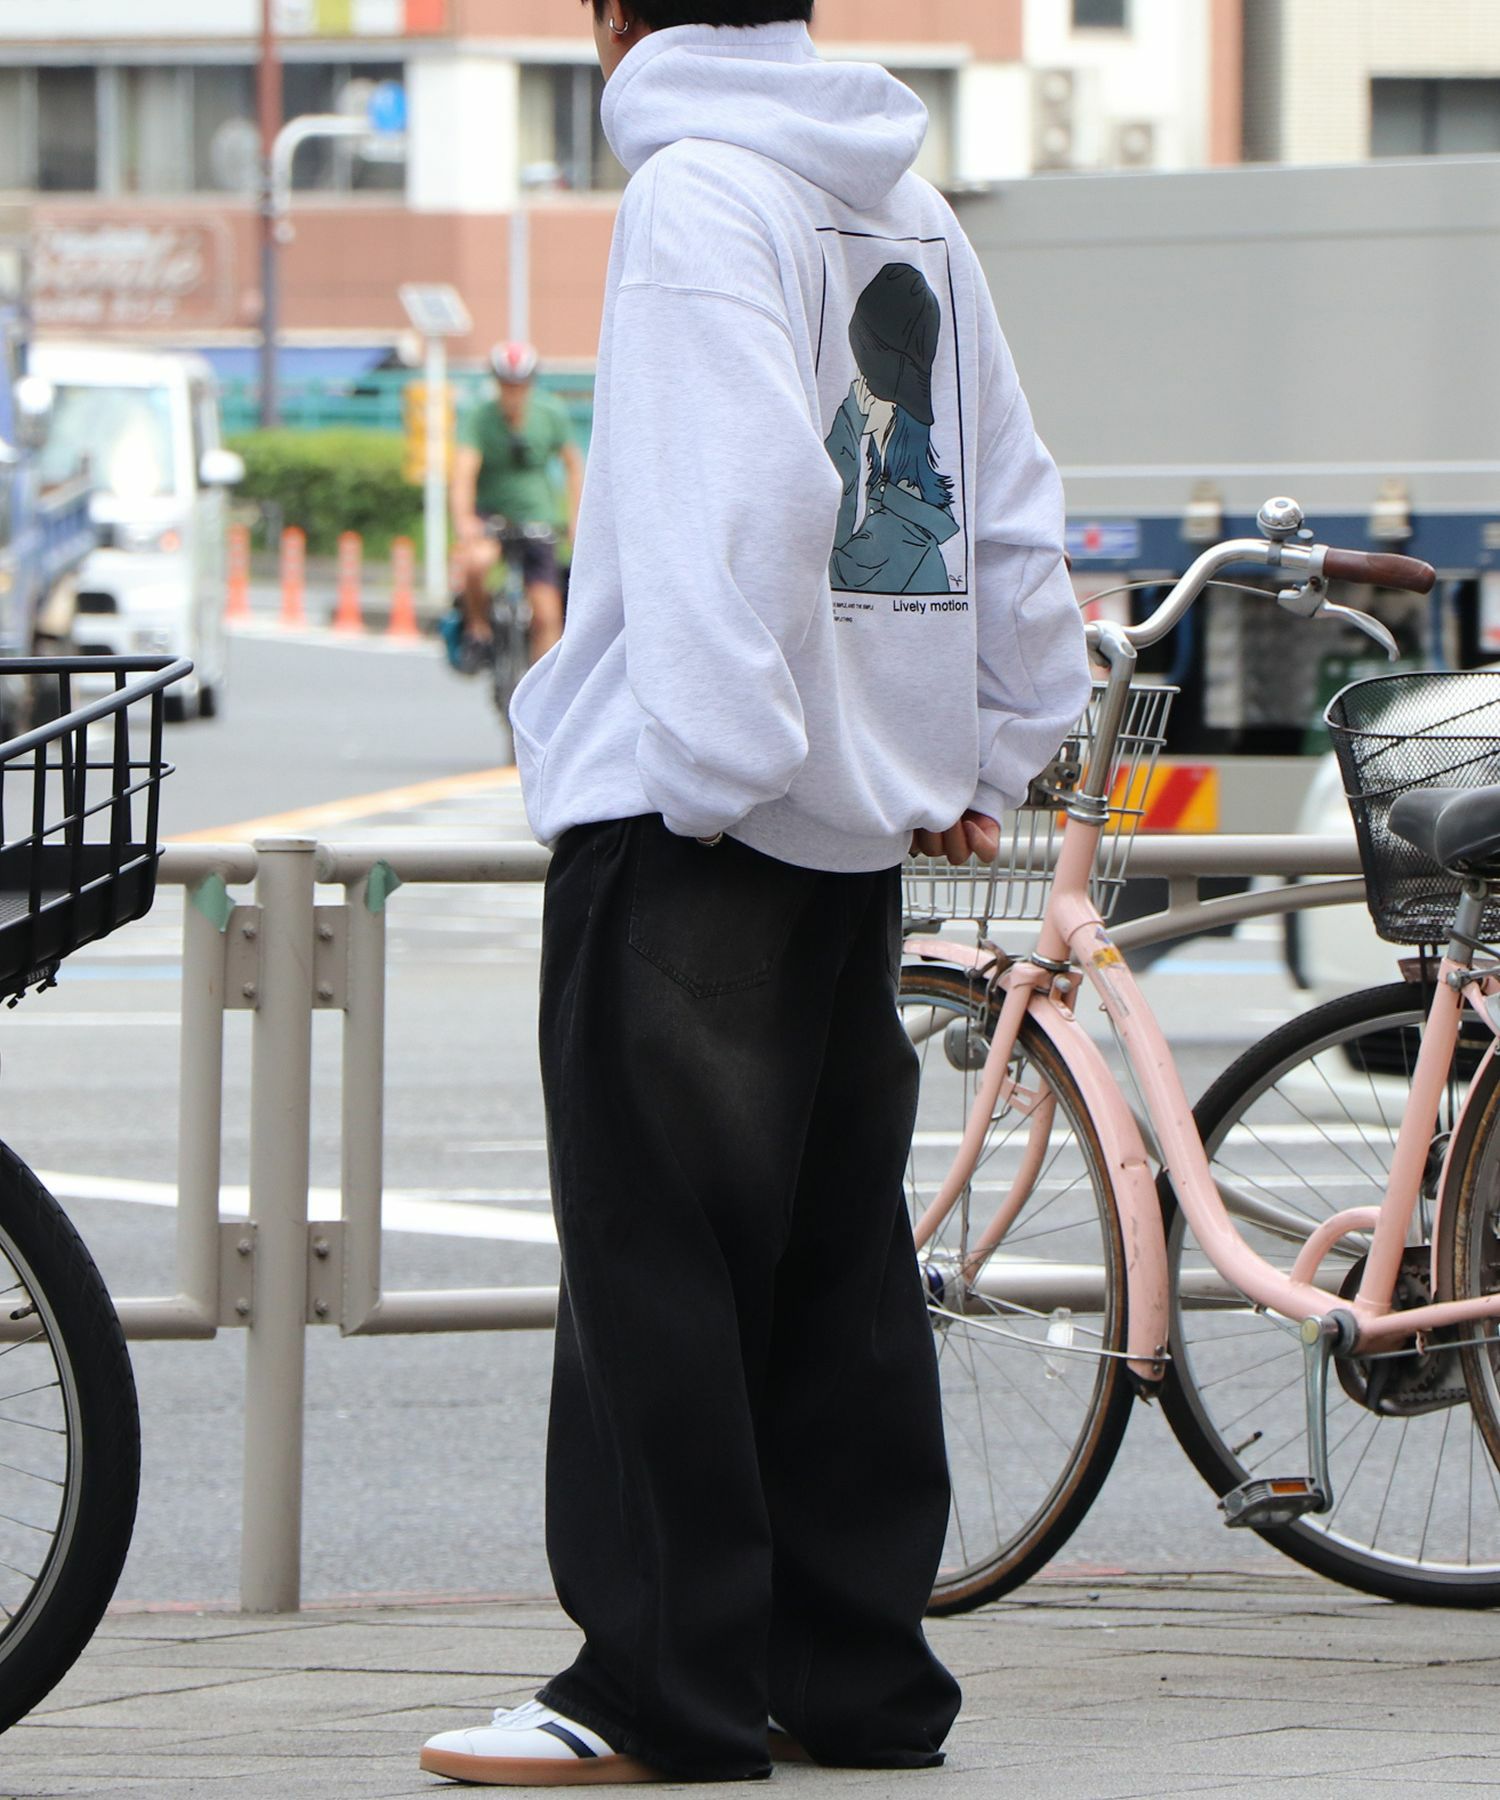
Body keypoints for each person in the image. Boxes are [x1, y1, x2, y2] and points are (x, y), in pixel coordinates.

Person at [421, 0, 1091, 1788]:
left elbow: (745, 502)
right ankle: (853, 1679)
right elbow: (1009, 508)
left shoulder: (697, 192)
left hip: (699, 819)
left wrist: (716, 776)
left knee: (657, 1255)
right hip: (853, 825)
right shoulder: (908, 207)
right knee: (835, 1263)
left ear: (613, 19)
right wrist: (992, 746)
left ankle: (657, 1691)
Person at [451, 341, 584, 662]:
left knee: (548, 614)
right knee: (475, 563)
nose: (513, 391)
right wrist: (465, 520)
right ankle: (479, 629)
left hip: (538, 516)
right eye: (506, 384)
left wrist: (576, 520)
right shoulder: (479, 417)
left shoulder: (550, 413)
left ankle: (541, 686)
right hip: (492, 514)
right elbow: (464, 473)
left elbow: (573, 465)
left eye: (520, 384)